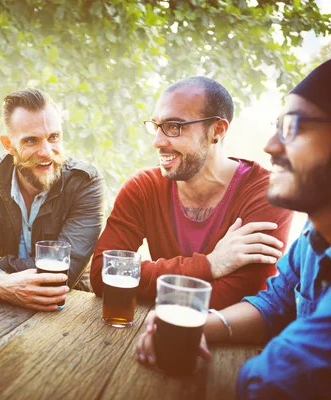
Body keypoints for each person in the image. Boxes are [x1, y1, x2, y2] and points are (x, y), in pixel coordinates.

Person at [136, 61, 331, 398]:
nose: (271, 145)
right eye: (277, 126)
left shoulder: (260, 196)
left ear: (217, 131)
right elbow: (272, 303)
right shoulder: (311, 242)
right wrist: (198, 325)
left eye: (292, 127)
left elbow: (269, 383)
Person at [90, 76, 294, 309]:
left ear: (217, 130)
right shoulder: (142, 188)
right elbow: (103, 275)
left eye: (173, 127)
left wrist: (147, 282)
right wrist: (209, 265)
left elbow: (238, 299)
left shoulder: (268, 195)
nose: (158, 141)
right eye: (157, 126)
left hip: (232, 345)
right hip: (153, 333)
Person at [0, 88, 105, 311]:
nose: (46, 152)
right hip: (4, 307)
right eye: (31, 140)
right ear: (8, 145)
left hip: (72, 305)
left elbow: (61, 270)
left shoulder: (85, 182)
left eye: (53, 137)